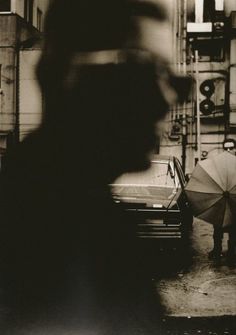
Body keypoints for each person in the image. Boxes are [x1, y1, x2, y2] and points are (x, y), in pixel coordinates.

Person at [0, 0, 189, 333]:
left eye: (175, 80)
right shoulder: (36, 240)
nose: (168, 99)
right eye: (145, 71)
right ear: (64, 73)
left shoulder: (86, 217)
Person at [209, 138, 236, 264]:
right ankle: (217, 250)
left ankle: (232, 252)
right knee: (218, 229)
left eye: (231, 148)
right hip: (220, 201)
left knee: (234, 230)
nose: (229, 150)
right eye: (226, 148)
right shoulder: (218, 165)